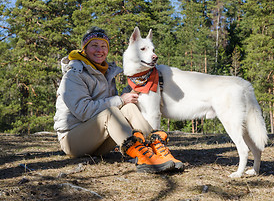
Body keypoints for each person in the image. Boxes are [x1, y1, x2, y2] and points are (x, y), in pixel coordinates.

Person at [53, 27, 184, 173]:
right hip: (73, 140)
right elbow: (84, 111)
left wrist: (134, 89)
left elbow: (114, 102)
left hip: (99, 141)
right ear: (84, 48)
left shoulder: (107, 72)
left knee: (128, 108)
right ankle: (144, 159)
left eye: (103, 46)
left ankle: (155, 149)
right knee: (112, 112)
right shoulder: (74, 75)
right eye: (94, 45)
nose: (99, 50)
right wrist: (121, 99)